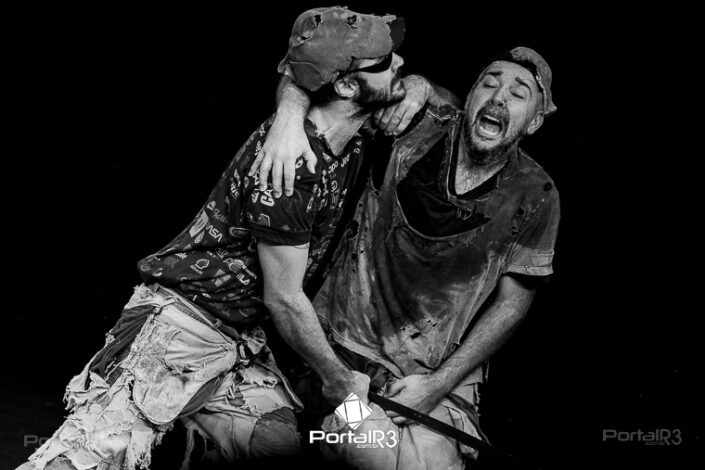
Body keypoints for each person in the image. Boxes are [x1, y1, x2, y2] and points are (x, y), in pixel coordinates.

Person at [17, 6, 409, 470]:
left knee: (275, 443)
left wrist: (294, 107)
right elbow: (284, 300)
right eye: (386, 62)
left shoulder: (350, 134)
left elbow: (301, 79)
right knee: (79, 461)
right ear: (345, 87)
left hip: (235, 343)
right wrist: (340, 380)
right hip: (181, 330)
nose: (401, 63)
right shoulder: (292, 173)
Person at [254, 46, 560, 470]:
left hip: (435, 373)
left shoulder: (537, 194)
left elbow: (512, 305)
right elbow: (313, 72)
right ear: (469, 96)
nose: (498, 98)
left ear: (535, 121)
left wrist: (437, 385)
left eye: (518, 93)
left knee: (432, 463)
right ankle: (328, 435)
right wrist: (287, 120)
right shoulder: (413, 125)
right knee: (366, 448)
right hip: (343, 362)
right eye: (489, 83)